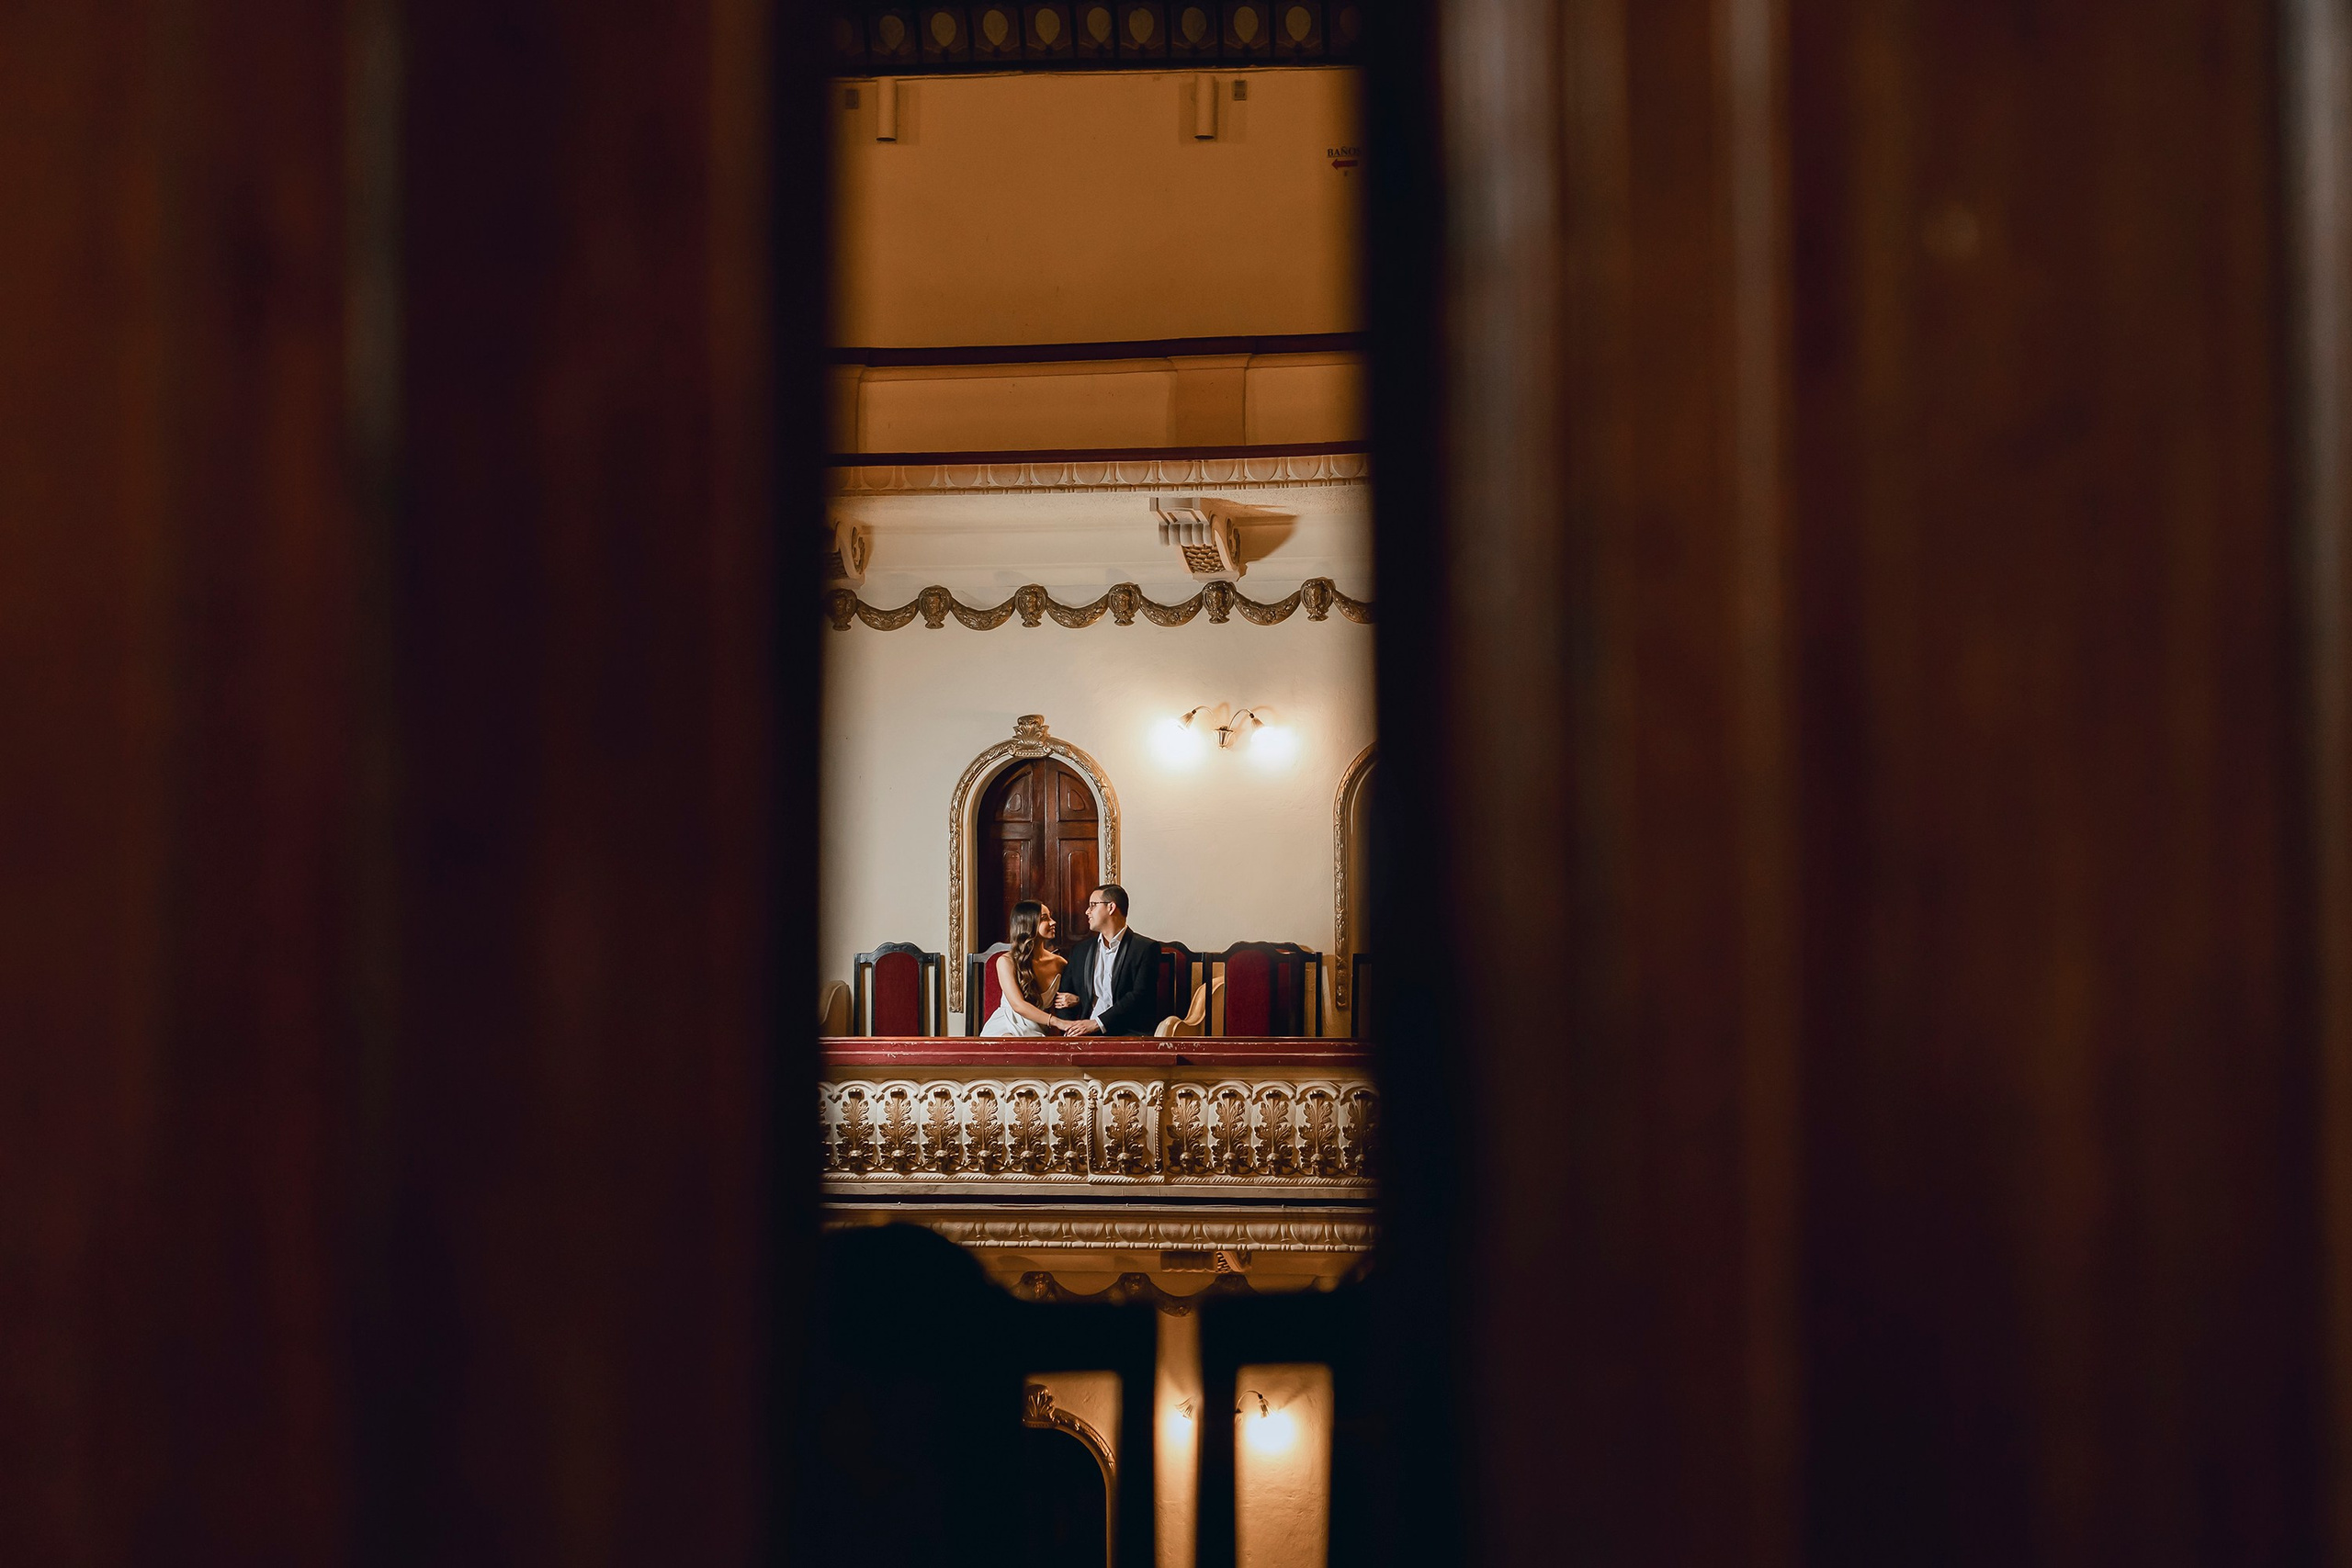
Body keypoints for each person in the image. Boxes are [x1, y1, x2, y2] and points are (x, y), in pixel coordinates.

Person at [1054, 883, 1162, 1037]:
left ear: (1111, 907)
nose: (1087, 912)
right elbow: (1063, 997)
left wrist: (1097, 1023)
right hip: (1085, 1033)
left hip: (1129, 1033)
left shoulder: (1145, 948)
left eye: (1093, 905)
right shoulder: (1080, 951)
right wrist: (1070, 1027)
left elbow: (1139, 996)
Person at [978, 899, 1081, 1037]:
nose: (1053, 922)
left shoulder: (1060, 963)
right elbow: (1018, 1005)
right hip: (1006, 1025)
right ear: (1028, 924)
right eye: (1045, 918)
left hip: (1037, 1030)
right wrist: (1057, 1022)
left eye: (1050, 917)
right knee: (1010, 1048)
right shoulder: (1006, 961)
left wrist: (1076, 1000)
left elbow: (1078, 994)